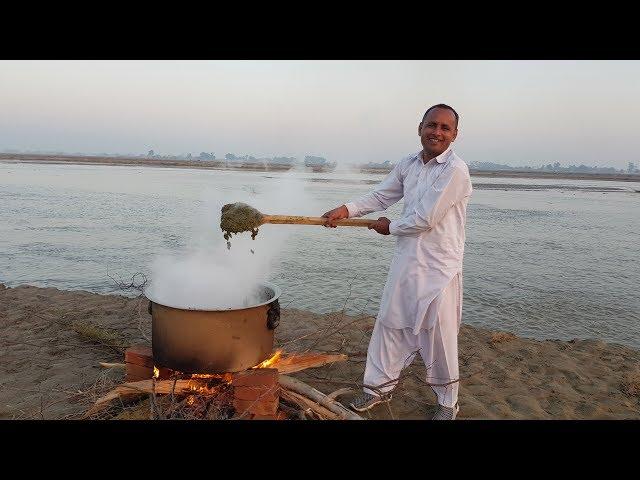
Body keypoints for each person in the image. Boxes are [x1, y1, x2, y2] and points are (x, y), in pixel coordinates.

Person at [322, 104, 472, 420]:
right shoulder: (408, 164)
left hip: (439, 268)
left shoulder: (455, 171)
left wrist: (389, 227)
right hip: (407, 261)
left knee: (439, 335)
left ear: (454, 135)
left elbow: (426, 219)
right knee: (390, 325)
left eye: (445, 128)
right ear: (420, 128)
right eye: (432, 125)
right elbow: (381, 196)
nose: (437, 132)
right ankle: (377, 390)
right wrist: (346, 209)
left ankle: (448, 403)